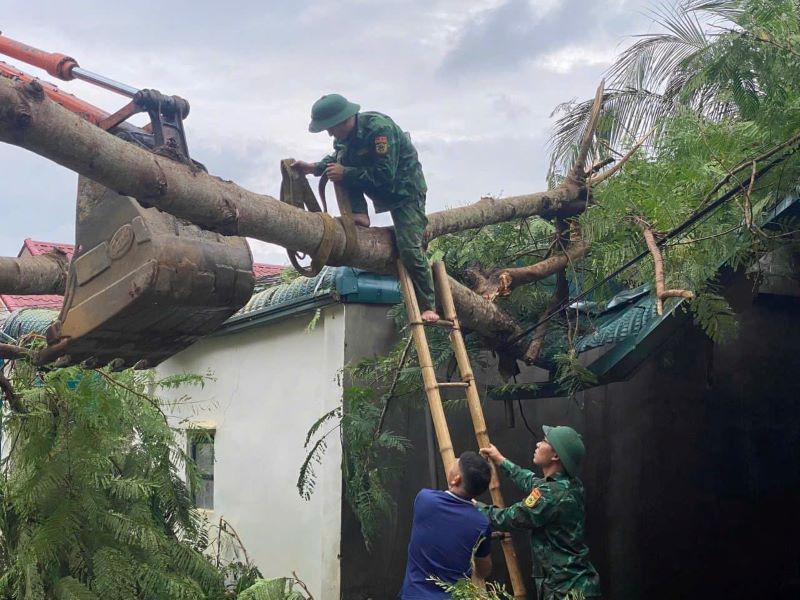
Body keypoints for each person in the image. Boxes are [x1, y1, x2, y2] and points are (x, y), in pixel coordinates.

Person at [291, 93, 440, 322]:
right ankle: (359, 215)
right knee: (340, 170)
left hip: (404, 192)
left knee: (409, 249)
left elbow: (384, 174)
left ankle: (429, 305)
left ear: (344, 120)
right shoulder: (344, 137)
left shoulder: (379, 131)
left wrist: (346, 173)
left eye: (331, 128)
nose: (330, 134)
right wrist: (314, 168)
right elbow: (339, 158)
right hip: (376, 187)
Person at [478, 426, 601, 600]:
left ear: (556, 455)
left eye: (544, 441)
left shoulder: (551, 495)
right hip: (576, 584)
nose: (537, 444)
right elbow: (533, 483)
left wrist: (475, 508)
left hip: (566, 591)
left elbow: (511, 517)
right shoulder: (570, 484)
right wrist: (501, 460)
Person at [399, 451, 493, 598]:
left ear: (456, 479)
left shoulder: (424, 499)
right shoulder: (481, 523)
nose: (453, 461)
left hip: (413, 595)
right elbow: (483, 570)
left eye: (456, 462)